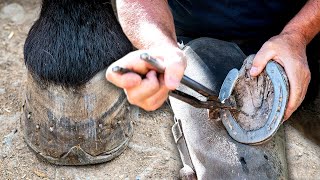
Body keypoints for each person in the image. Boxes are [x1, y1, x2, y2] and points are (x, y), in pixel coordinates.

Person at [106, 0, 320, 178]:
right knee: (244, 171)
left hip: (307, 28)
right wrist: (160, 45)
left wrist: (298, 34)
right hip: (204, 42)